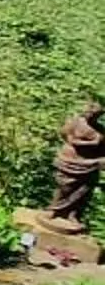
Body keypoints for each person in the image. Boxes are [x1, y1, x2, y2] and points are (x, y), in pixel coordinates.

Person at [51, 99, 104, 233]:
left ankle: (72, 215)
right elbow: (69, 138)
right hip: (71, 159)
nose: (92, 116)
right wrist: (92, 143)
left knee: (84, 190)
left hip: (88, 163)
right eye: (91, 113)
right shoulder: (75, 122)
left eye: (97, 115)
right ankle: (54, 210)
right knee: (64, 186)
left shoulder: (100, 130)